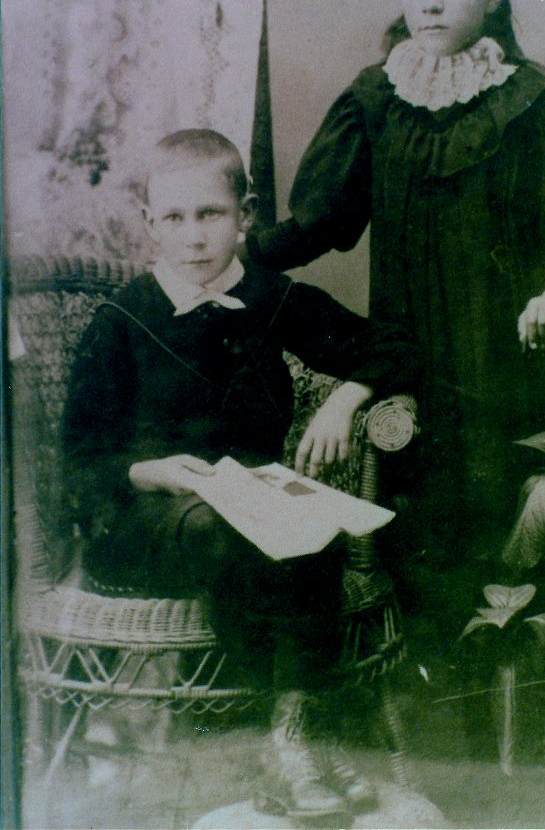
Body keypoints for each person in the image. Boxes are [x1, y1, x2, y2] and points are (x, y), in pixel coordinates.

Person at [246, 0, 545, 618]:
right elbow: (322, 222)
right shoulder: (375, 99)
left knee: (512, 563)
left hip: (507, 368)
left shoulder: (527, 103)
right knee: (422, 554)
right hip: (409, 365)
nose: (430, 2)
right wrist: (238, 257)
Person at [62, 129, 419, 822]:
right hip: (147, 520)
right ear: (149, 225)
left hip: (255, 503)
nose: (194, 237)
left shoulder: (273, 300)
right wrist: (156, 470)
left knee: (310, 534)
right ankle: (291, 744)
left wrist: (346, 398)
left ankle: (291, 739)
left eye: (211, 215)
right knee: (246, 542)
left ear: (245, 215)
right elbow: (81, 457)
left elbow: (396, 345)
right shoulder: (122, 319)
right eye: (174, 218)